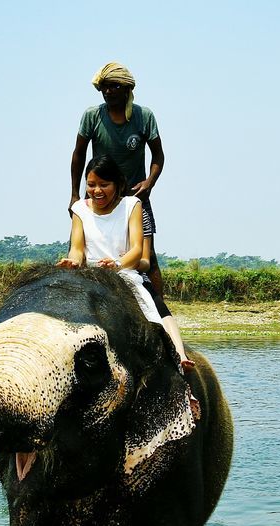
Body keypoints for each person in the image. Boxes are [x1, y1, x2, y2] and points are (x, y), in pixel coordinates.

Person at [69, 62, 192, 369]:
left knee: (147, 265)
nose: (109, 92)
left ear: (126, 89)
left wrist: (148, 184)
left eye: (115, 87)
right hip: (99, 194)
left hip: (133, 197)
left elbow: (158, 156)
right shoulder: (92, 116)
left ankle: (160, 321)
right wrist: (75, 194)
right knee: (85, 255)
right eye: (105, 87)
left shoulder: (143, 116)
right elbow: (79, 155)